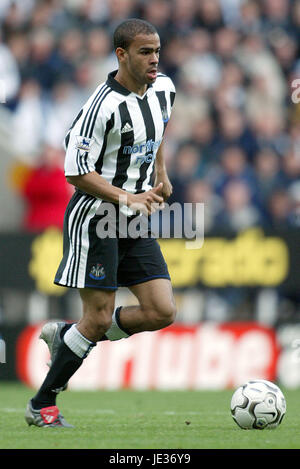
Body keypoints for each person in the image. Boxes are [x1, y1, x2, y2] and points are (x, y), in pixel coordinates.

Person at [25, 18, 177, 428]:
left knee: (161, 311)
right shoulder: (101, 106)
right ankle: (42, 405)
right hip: (97, 218)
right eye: (145, 52)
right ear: (121, 54)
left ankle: (69, 336)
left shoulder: (164, 88)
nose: (155, 59)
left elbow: (159, 130)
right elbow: (75, 171)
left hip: (135, 218)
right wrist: (128, 196)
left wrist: (160, 174)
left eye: (157, 50)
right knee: (95, 318)